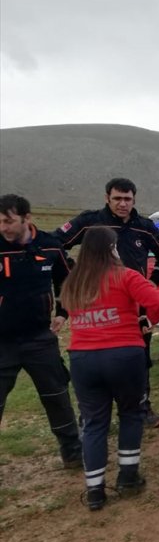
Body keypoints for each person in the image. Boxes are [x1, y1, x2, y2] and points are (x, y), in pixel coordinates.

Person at [61, 226, 159, 511]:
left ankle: (94, 491)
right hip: (124, 354)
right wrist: (149, 321)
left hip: (83, 358)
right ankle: (128, 477)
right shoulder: (126, 276)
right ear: (111, 249)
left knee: (94, 422)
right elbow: (155, 300)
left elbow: (69, 311)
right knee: (131, 413)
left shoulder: (73, 283)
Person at [55, 178, 159, 428]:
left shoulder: (145, 226)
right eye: (117, 198)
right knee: (95, 358)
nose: (122, 203)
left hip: (134, 305)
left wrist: (152, 282)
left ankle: (142, 406)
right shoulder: (89, 223)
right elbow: (56, 244)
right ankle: (91, 412)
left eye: (127, 199)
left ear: (134, 200)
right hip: (96, 305)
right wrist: (72, 271)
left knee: (139, 357)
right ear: (107, 197)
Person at [0, 194, 83, 467]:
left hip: (39, 338)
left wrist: (62, 312)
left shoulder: (50, 245)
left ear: (27, 218)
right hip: (2, 342)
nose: (3, 227)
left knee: (56, 395)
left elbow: (65, 282)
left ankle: (72, 451)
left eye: (9, 221)